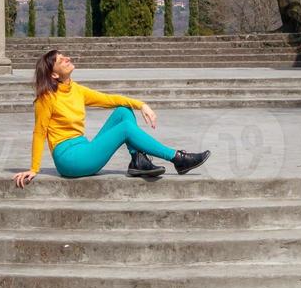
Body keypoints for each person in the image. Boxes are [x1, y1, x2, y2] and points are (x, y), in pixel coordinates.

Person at [12, 49, 211, 187]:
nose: (66, 58)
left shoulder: (76, 90)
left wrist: (142, 104)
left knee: (123, 111)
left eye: (64, 55)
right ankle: (177, 158)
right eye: (60, 59)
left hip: (84, 147)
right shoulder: (46, 99)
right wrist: (33, 168)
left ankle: (138, 161)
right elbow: (39, 133)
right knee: (124, 129)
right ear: (54, 75)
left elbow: (110, 99)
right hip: (70, 160)